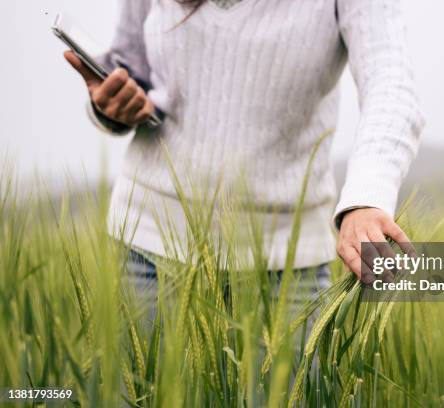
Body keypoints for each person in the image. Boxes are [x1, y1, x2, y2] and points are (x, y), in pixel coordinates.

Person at [64, 0, 425, 302]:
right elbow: (130, 68)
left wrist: (366, 198)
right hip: (144, 252)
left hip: (287, 267)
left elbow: (390, 81)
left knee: (297, 391)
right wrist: (111, 107)